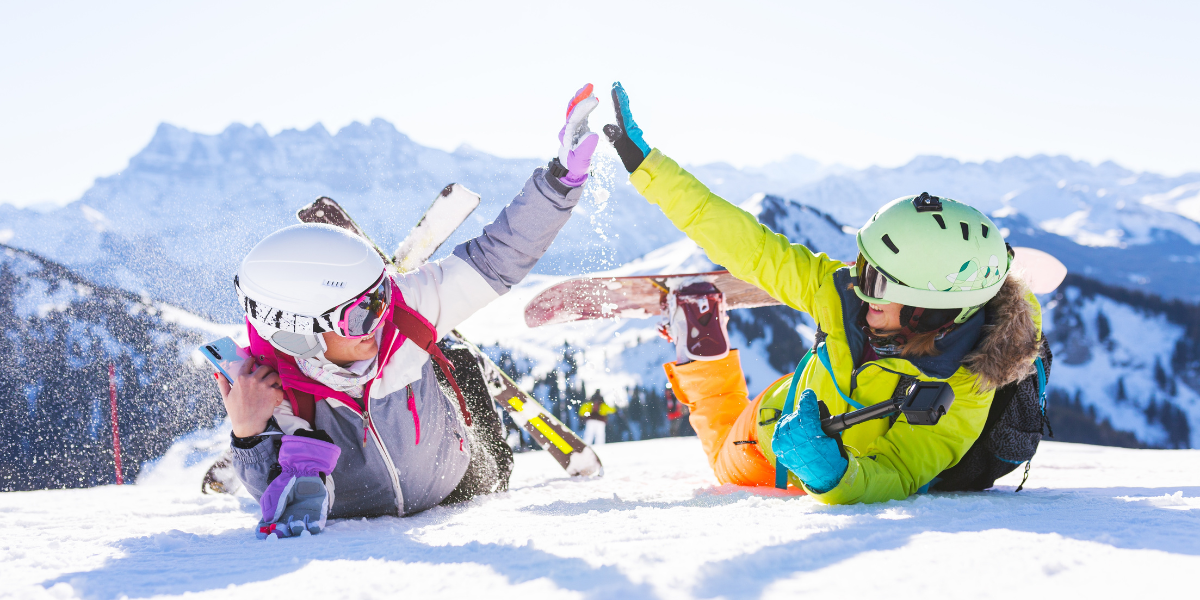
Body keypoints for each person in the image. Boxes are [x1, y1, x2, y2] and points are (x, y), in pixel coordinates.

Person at [602, 82, 1043, 504]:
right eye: (865, 268)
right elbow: (750, 247)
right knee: (724, 444)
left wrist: (835, 477)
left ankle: (702, 353)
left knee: (722, 452)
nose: (861, 289)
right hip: (770, 424)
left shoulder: (965, 386)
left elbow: (901, 470)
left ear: (931, 312)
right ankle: (703, 353)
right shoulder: (843, 292)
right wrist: (648, 168)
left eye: (878, 282)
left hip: (777, 463)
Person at [218, 84, 602, 537]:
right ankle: (446, 355)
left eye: (379, 295)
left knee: (455, 377)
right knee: (438, 352)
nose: (380, 318)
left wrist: (560, 182)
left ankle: (447, 359)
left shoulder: (402, 313)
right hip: (358, 516)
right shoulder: (269, 392)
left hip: (461, 480)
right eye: (360, 313)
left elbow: (499, 255)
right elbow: (270, 492)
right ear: (303, 334)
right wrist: (245, 431)